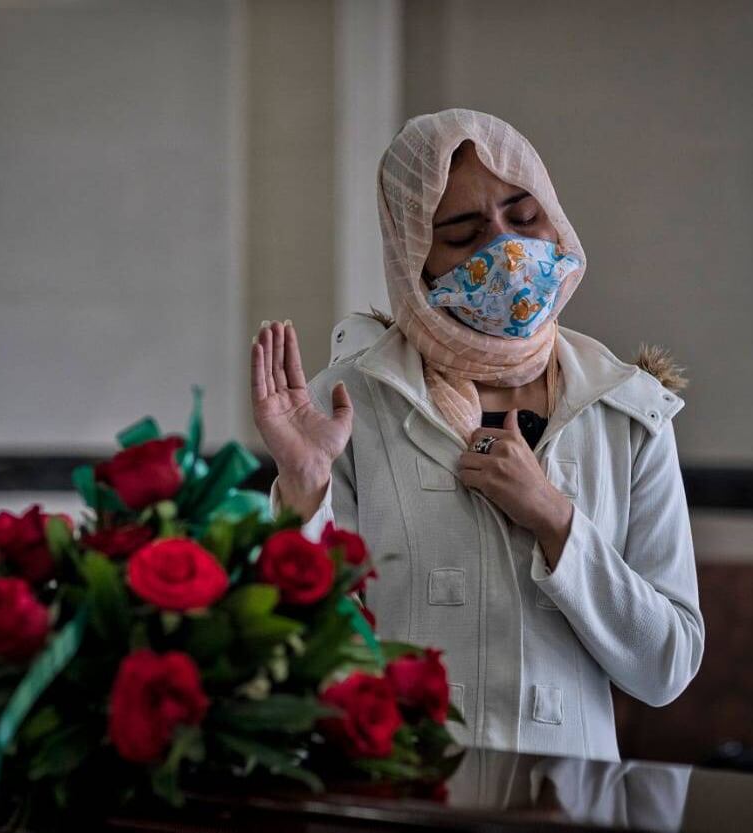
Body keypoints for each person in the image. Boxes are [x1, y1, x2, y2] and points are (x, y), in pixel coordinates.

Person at [250, 109, 703, 759]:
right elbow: (292, 649)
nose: (506, 250)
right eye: (463, 233)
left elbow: (666, 665)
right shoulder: (350, 403)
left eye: (524, 218)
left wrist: (554, 518)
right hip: (403, 788)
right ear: (415, 260)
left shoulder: (626, 409)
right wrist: (304, 489)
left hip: (569, 796)